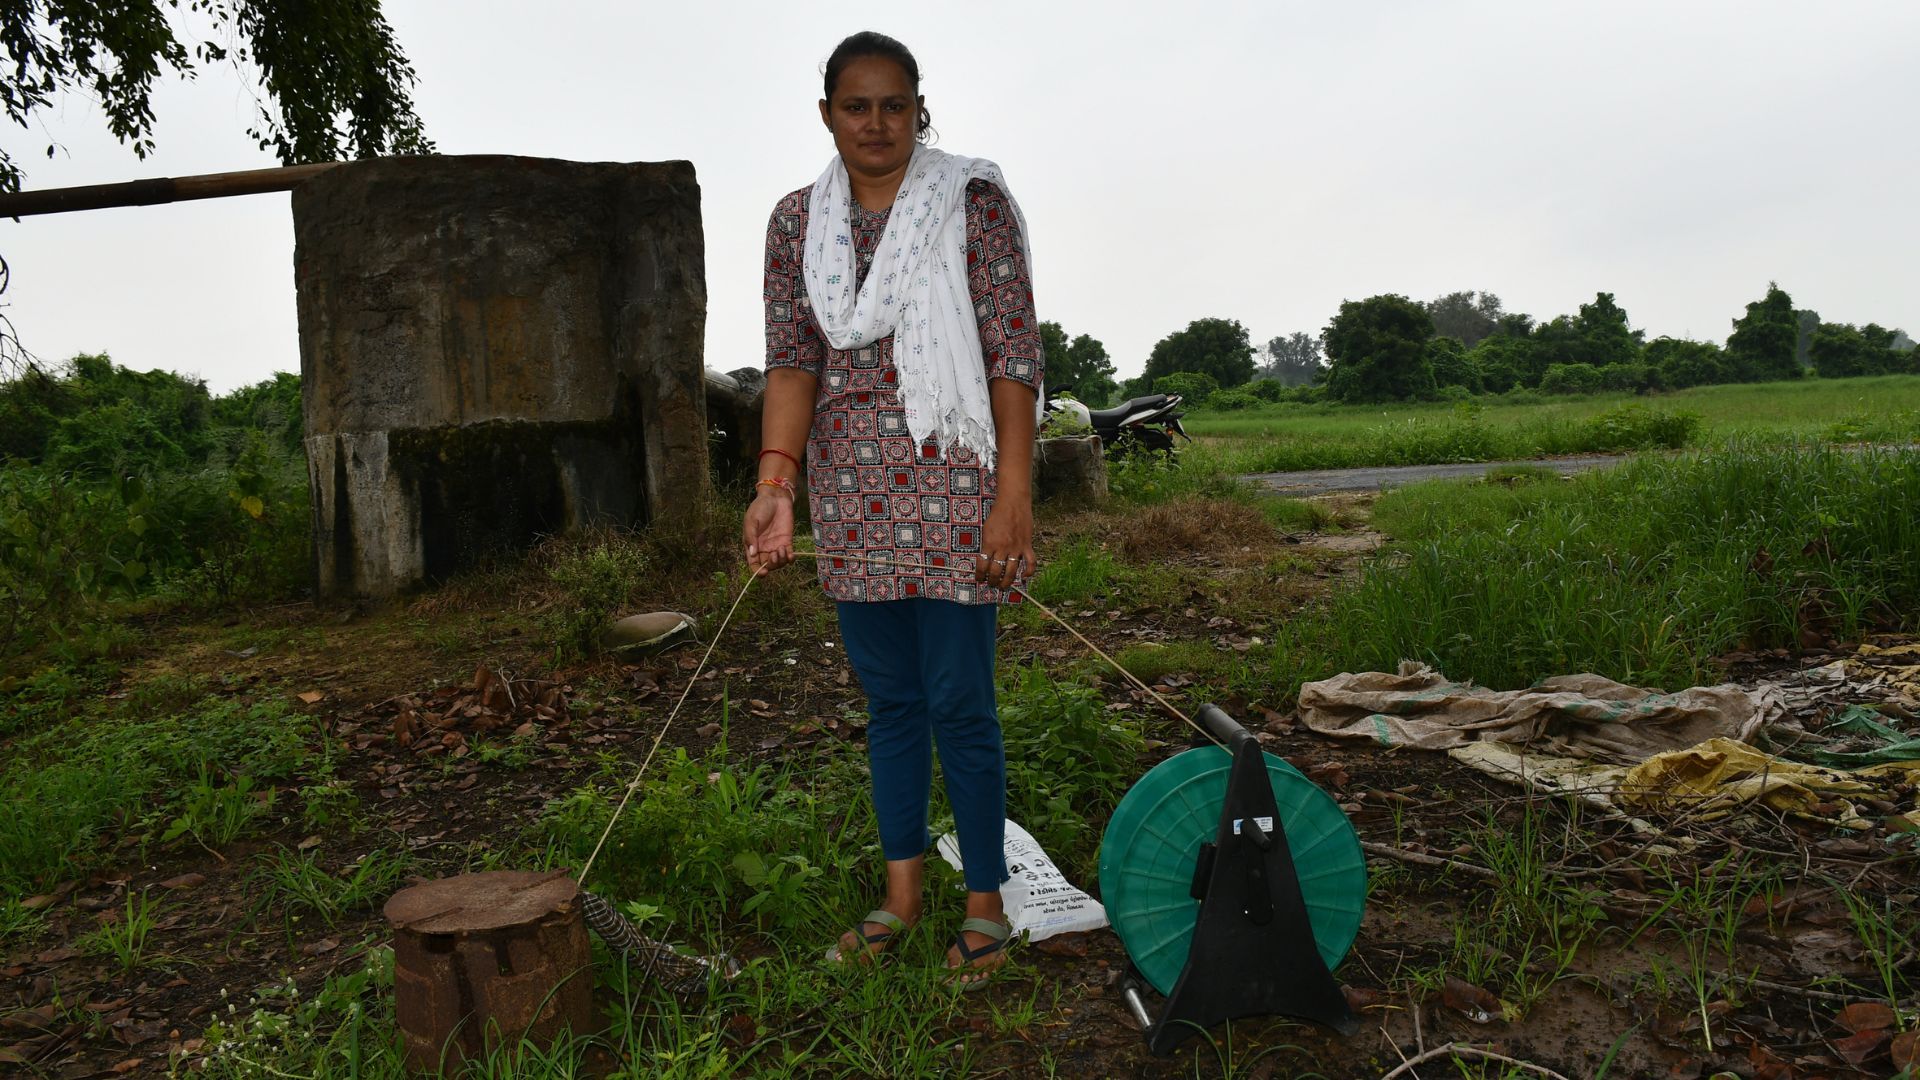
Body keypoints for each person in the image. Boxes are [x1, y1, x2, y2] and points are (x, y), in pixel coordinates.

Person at [742, 30, 1043, 988]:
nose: (876, 124)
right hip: (853, 495)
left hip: (957, 483)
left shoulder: (969, 204)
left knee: (962, 701)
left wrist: (1015, 500)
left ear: (921, 109)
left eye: (895, 105)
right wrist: (776, 485)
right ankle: (902, 898)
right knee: (891, 705)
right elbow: (794, 358)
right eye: (856, 105)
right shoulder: (798, 222)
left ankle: (985, 906)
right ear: (827, 112)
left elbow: (1013, 360)